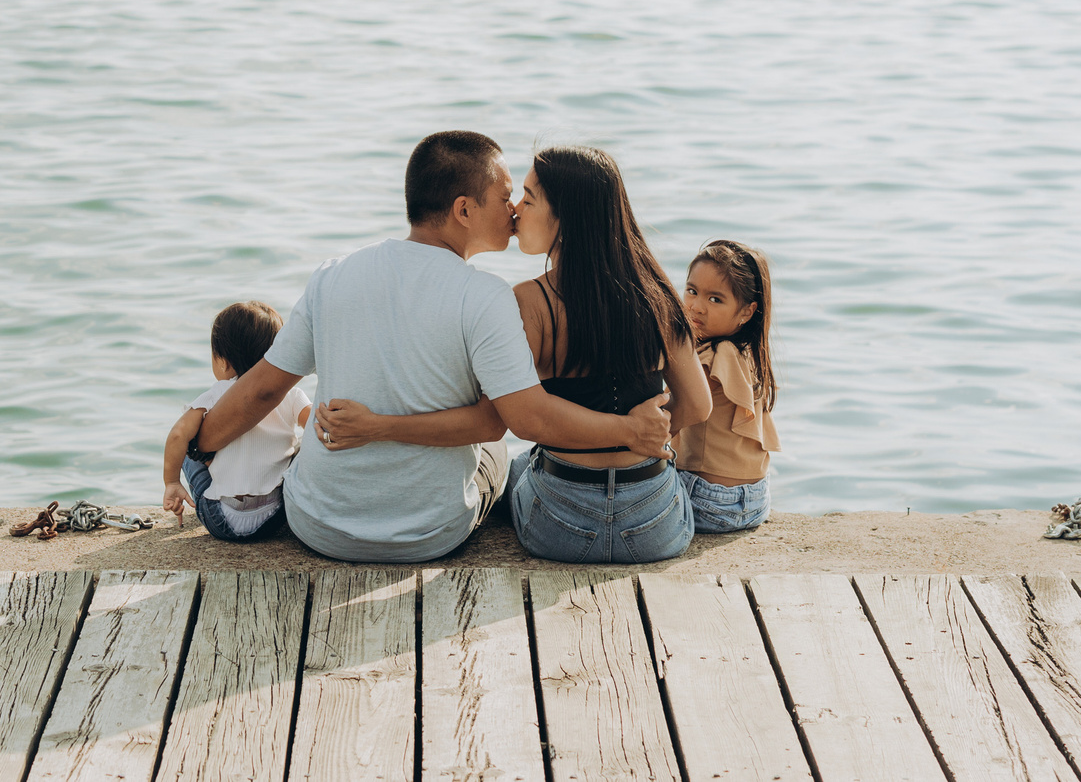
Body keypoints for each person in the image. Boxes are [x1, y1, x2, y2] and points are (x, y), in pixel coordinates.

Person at [198, 131, 673, 563]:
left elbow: (263, 390)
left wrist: (199, 446)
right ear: (464, 211)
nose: (514, 210)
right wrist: (629, 431)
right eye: (506, 197)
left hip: (318, 526)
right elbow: (493, 424)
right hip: (433, 534)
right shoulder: (485, 296)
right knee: (503, 456)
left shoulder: (331, 275)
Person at [314, 145, 711, 562]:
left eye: (529, 198)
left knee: (513, 464)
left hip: (561, 525)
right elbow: (698, 405)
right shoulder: (656, 295)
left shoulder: (531, 302)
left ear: (566, 218)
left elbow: (523, 419)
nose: (516, 209)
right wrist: (646, 437)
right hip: (654, 525)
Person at [163, 301, 312, 541]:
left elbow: (178, 434)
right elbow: (315, 424)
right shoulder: (291, 393)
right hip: (275, 517)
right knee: (299, 445)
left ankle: (221, 482)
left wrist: (171, 482)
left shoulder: (217, 393)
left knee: (189, 450)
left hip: (222, 520)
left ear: (223, 361)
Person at [677, 239, 779, 532]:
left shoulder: (712, 359)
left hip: (710, 501)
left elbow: (668, 421)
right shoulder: (749, 354)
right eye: (692, 291)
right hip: (756, 501)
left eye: (715, 299)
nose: (696, 307)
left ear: (747, 312)